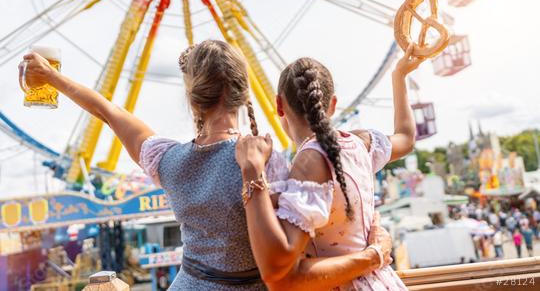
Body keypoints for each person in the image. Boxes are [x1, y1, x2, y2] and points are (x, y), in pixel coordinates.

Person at [20, 40, 393, 290]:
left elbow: (108, 111)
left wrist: (51, 76)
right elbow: (291, 253)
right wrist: (371, 252)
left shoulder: (169, 161)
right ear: (244, 92)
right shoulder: (268, 162)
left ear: (193, 98)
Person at [235, 44, 421, 290]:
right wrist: (399, 76)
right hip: (381, 282)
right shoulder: (359, 143)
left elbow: (286, 274)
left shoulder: (309, 164)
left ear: (279, 106)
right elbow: (406, 138)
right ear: (332, 105)